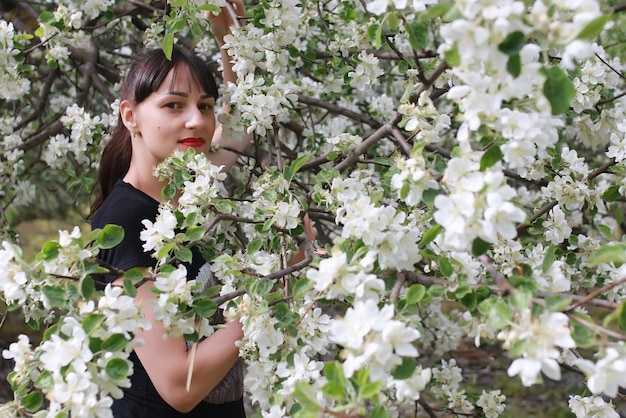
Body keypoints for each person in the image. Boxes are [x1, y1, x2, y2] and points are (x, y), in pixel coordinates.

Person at [89, 1, 250, 416]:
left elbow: (241, 123)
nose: (197, 121)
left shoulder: (184, 191)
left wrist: (230, 31)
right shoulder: (126, 221)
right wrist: (269, 303)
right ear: (131, 116)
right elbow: (179, 384)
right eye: (174, 105)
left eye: (206, 105)